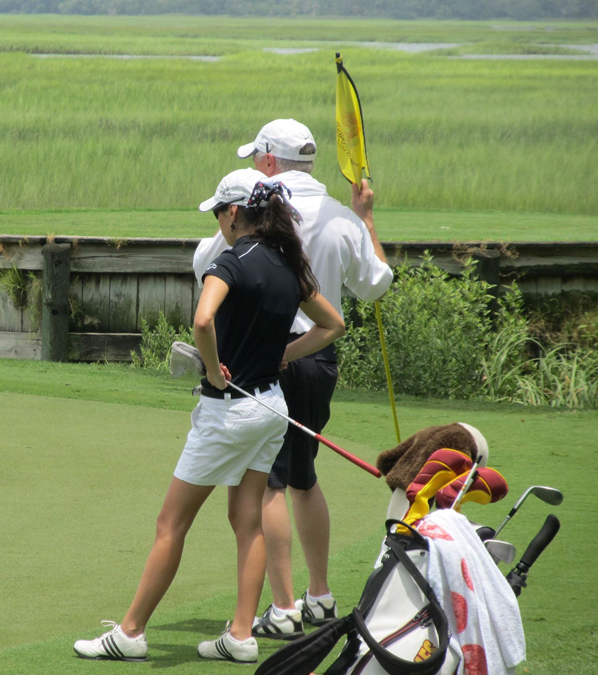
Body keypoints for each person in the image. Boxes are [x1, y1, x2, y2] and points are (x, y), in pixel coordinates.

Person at [74, 168, 345, 664]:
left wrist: (218, 376)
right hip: (270, 409)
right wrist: (286, 355)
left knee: (170, 524)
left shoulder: (231, 262)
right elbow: (334, 324)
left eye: (220, 211)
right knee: (249, 522)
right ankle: (241, 635)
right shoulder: (289, 261)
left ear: (236, 212)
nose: (219, 221)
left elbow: (202, 320)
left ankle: (131, 632)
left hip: (228, 414)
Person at [192, 119, 393, 640]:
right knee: (303, 476)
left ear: (268, 161)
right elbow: (376, 285)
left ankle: (284, 609)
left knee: (270, 486)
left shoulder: (257, 212)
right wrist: (367, 219)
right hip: (320, 359)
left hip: (273, 358)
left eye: (257, 156)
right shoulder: (343, 216)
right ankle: (320, 596)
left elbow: (205, 265)